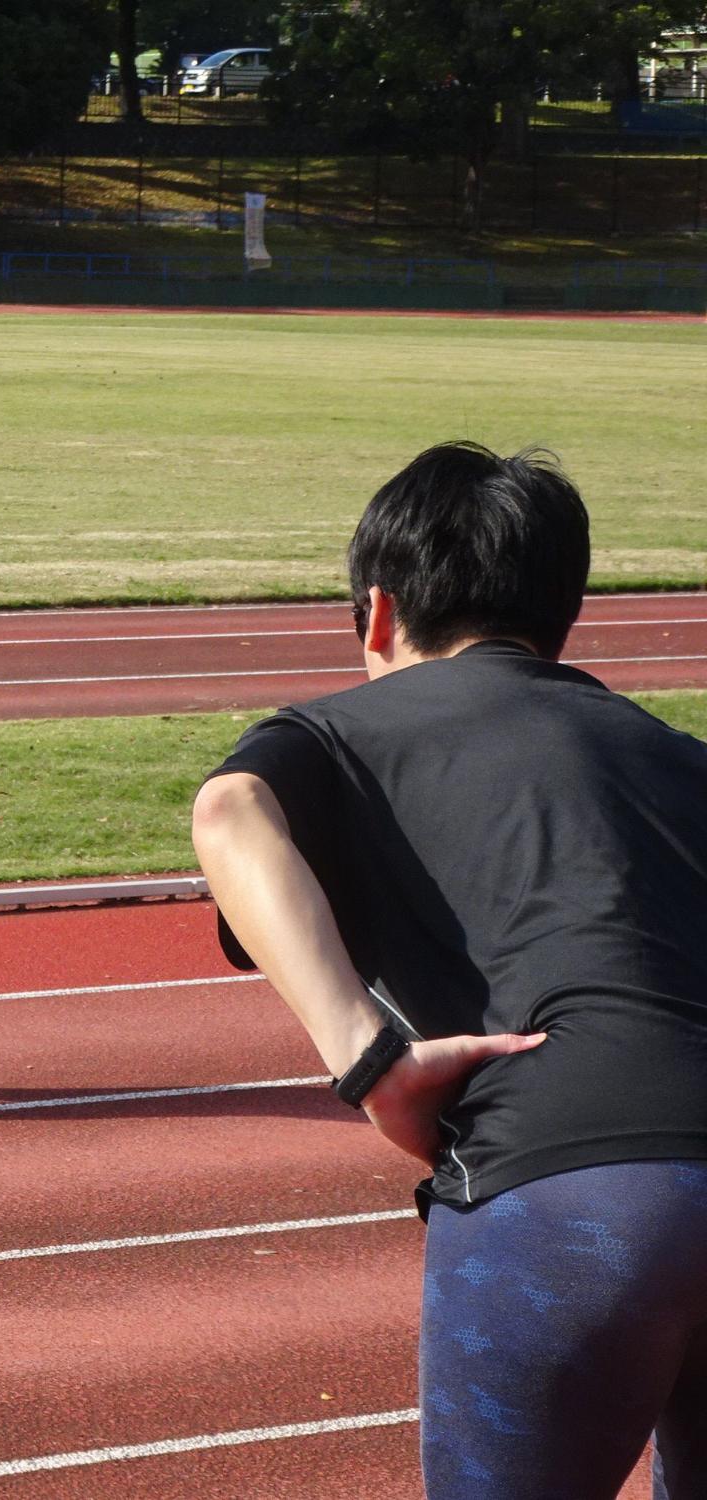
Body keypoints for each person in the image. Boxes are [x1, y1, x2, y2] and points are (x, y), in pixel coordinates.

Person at [191, 442, 707, 1499]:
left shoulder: (343, 732)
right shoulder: (672, 752)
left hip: (578, 1185)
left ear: (376, 617)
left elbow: (228, 811)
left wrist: (365, 1057)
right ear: (560, 616)